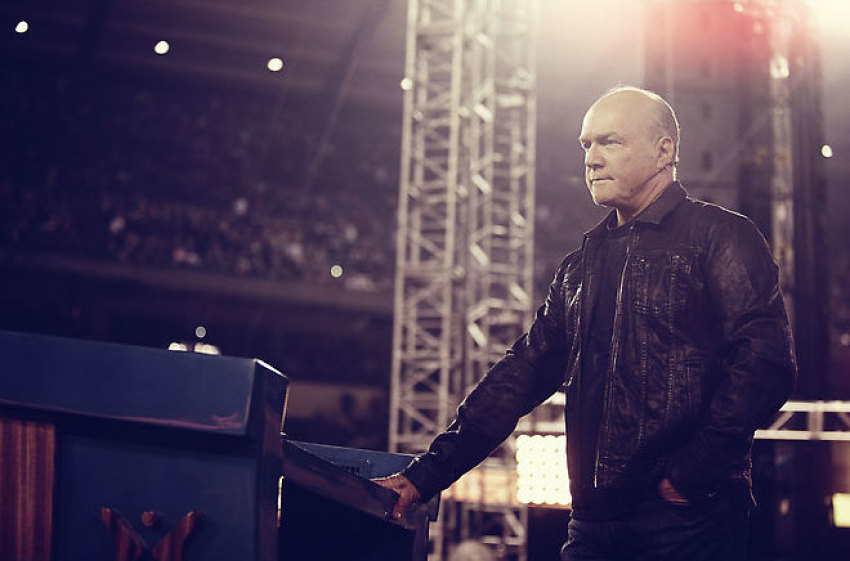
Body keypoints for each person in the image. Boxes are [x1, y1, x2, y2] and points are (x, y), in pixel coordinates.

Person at [376, 86, 796, 560]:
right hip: (593, 523)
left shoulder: (722, 236)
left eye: (609, 142)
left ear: (665, 150)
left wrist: (690, 475)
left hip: (689, 519)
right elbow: (519, 376)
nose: (592, 159)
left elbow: (766, 363)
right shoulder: (580, 266)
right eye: (586, 146)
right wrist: (424, 476)